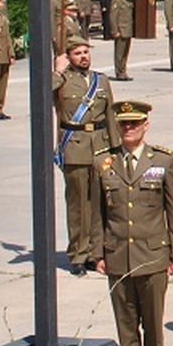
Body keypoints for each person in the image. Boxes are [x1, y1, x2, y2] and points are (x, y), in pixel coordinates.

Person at [95, 100, 173, 346]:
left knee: (152, 324)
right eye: (124, 124)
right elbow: (96, 212)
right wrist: (97, 252)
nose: (129, 128)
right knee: (126, 323)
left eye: (134, 123)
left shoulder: (163, 160)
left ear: (146, 125)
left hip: (152, 255)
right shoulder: (103, 162)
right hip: (118, 254)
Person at [54, 37, 118, 276]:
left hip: (100, 147)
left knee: (99, 204)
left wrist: (116, 148)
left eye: (86, 52)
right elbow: (40, 95)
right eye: (78, 53)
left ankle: (96, 253)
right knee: (79, 205)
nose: (84, 56)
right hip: (75, 149)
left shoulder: (100, 80)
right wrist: (57, 71)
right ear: (68, 57)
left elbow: (111, 116)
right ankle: (78, 255)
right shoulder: (62, 81)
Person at [109, 0, 134, 80]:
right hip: (121, 30)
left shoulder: (125, 0)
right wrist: (115, 31)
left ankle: (123, 71)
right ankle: (119, 72)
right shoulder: (117, 0)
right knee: (119, 53)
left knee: (125, 53)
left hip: (127, 29)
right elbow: (113, 17)